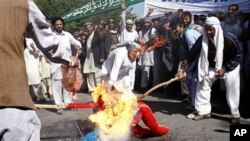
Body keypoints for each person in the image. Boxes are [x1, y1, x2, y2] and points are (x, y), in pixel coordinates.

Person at [0, 0, 78, 140]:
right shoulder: (22, 3)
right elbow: (49, 44)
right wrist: (70, 59)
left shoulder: (67, 35)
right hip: (11, 103)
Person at [179, 17, 242, 124]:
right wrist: (183, 69)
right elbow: (192, 55)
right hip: (211, 66)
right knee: (202, 83)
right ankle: (204, 112)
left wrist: (225, 68)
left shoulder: (230, 38)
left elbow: (238, 55)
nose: (208, 32)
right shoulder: (202, 39)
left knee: (232, 87)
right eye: (206, 29)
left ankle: (235, 114)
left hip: (230, 67)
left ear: (217, 29)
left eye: (211, 29)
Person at [50, 17, 82, 114]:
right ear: (54, 25)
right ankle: (59, 105)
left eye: (60, 24)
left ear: (63, 25)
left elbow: (76, 43)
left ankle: (68, 103)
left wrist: (78, 47)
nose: (59, 26)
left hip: (67, 63)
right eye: (57, 24)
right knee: (57, 84)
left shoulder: (67, 35)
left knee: (68, 84)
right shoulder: (51, 36)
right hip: (56, 63)